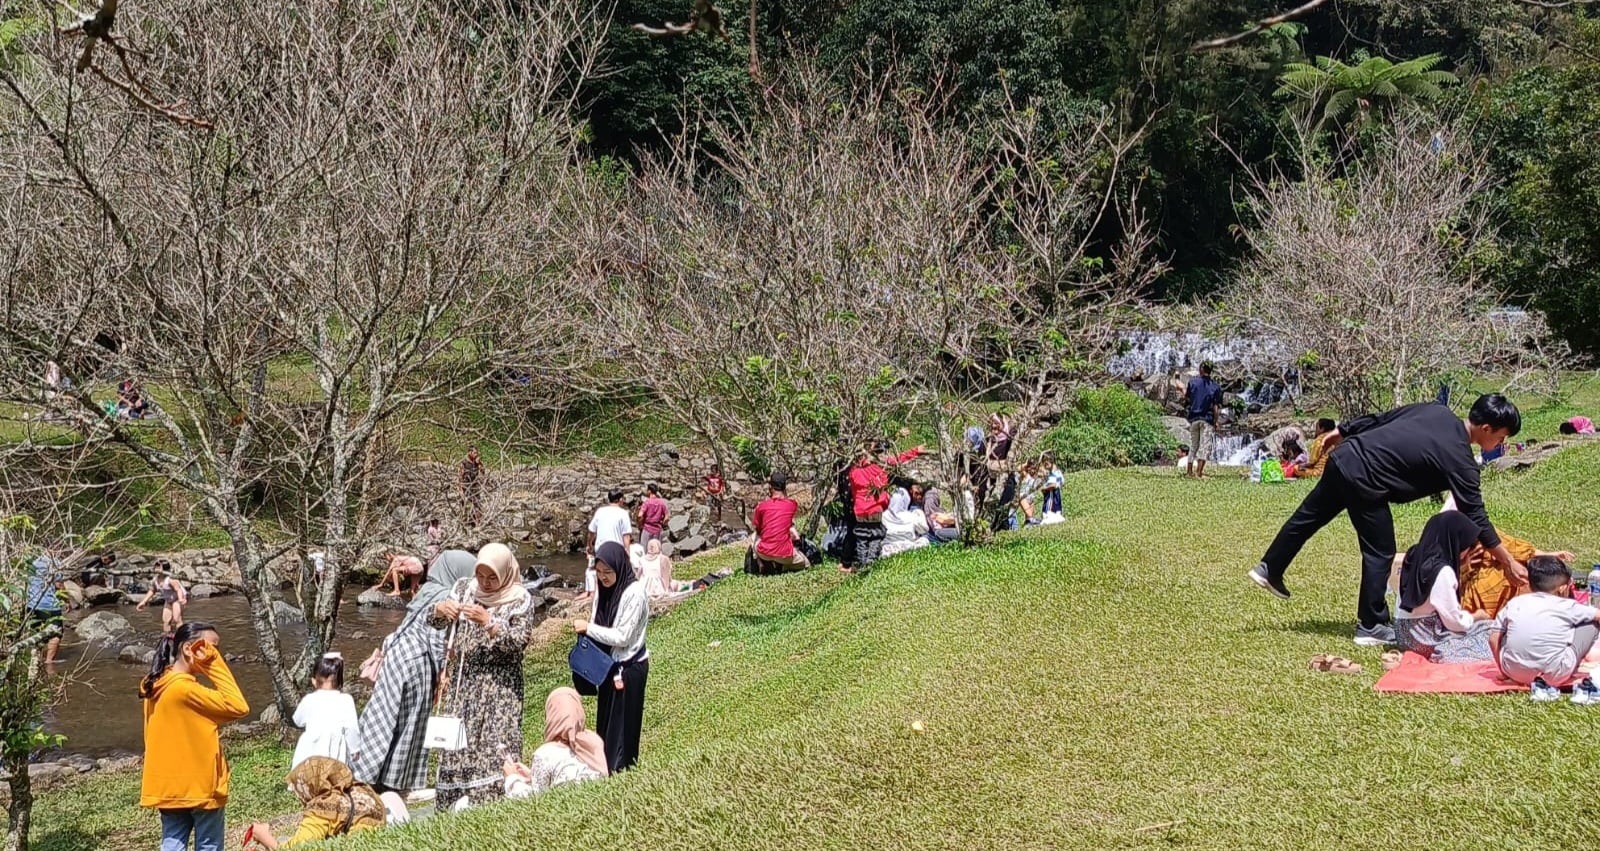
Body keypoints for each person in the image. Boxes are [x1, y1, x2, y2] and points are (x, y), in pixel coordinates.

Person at [1248, 394, 1526, 647]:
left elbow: (1382, 418)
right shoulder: (1461, 460)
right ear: (1486, 428)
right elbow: (1475, 513)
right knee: (1380, 551)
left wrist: (1340, 432)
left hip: (1345, 458)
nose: (1500, 444)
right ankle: (1371, 625)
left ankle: (1269, 567)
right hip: (1367, 480)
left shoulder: (1436, 412)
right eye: (1501, 437)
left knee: (1307, 518)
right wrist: (1507, 560)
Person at [350, 550, 473, 795]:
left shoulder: (428, 588)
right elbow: (437, 640)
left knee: (382, 718)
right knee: (407, 725)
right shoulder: (446, 596)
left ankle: (362, 772)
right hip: (417, 666)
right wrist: (442, 673)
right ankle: (390, 782)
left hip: (396, 658)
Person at [428, 543, 537, 811]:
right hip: (465, 683)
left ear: (505, 575)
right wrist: (440, 611)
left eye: (493, 578)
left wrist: (489, 623)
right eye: (481, 576)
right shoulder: (465, 589)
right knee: (459, 744)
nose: (486, 584)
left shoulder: (519, 598)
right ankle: (454, 803)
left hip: (499, 687)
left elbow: (519, 641)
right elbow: (436, 623)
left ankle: (495, 802)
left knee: (495, 740)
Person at [139, 621, 249, 851]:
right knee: (209, 845)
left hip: (167, 785)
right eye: (210, 648)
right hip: (199, 785)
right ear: (189, 649)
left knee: (172, 842)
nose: (214, 654)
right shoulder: (185, 690)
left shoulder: (155, 684)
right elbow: (239, 706)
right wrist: (214, 664)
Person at [575, 542, 650, 772]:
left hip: (629, 667)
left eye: (608, 572)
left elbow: (623, 636)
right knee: (606, 722)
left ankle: (622, 770)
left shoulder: (634, 593)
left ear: (620, 567)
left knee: (624, 725)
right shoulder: (604, 590)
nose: (603, 577)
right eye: (599, 572)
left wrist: (587, 628)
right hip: (608, 666)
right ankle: (604, 768)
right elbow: (599, 617)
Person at [1394, 512, 1493, 662]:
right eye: (1468, 546)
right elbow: (1454, 622)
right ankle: (1445, 653)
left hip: (1402, 632)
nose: (1469, 550)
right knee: (1490, 631)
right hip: (1423, 636)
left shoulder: (1415, 554)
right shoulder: (1442, 570)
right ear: (1456, 542)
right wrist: (1476, 616)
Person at [1491, 556, 1600, 689]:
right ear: (1562, 588)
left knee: (1506, 631)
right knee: (1591, 623)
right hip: (1554, 675)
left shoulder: (1514, 603)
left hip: (1514, 673)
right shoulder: (1567, 605)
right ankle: (1569, 664)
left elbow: (1493, 638)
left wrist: (1504, 671)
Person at [243, 757, 385, 849]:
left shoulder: (323, 808)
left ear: (310, 786)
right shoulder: (365, 792)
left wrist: (263, 836)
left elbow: (297, 849)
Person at [502, 687, 608, 799]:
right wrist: (531, 774)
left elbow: (536, 801)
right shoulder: (593, 743)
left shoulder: (545, 754)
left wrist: (512, 778)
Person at [842, 441, 923, 575]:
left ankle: (862, 564)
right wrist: (915, 451)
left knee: (862, 537)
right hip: (875, 509)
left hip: (860, 509)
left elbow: (853, 489)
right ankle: (871, 563)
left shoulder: (853, 472)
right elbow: (897, 460)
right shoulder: (879, 469)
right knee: (875, 536)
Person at [290, 653, 359, 770]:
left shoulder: (309, 699)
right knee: (332, 779)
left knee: (309, 777)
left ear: (313, 681)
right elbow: (351, 728)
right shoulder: (346, 700)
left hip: (310, 748)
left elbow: (297, 720)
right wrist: (354, 748)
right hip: (334, 750)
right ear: (340, 681)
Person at [750, 473, 808, 572]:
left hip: (764, 553)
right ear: (785, 488)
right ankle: (783, 566)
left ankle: (760, 562)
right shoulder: (792, 505)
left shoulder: (761, 507)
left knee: (753, 536)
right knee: (805, 564)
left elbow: (758, 529)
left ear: (770, 487)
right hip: (785, 555)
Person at [1182, 362, 1223, 479]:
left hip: (1194, 418)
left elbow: (1187, 398)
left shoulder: (1192, 382)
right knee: (1204, 447)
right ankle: (1199, 473)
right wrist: (1216, 421)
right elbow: (1216, 407)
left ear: (1201, 369)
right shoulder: (1215, 387)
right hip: (1207, 419)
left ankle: (1189, 472)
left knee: (1194, 446)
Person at [24, 550, 65, 666]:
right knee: (56, 634)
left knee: (37, 634)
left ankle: (36, 661)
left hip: (33, 605)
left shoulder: (33, 563)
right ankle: (49, 662)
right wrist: (67, 601)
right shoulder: (55, 563)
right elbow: (59, 585)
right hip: (50, 605)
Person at [136, 563, 188, 633]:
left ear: (164, 569)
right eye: (156, 567)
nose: (156, 569)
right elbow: (152, 590)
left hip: (177, 599)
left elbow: (178, 590)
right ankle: (167, 636)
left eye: (159, 567)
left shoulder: (170, 579)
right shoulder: (155, 579)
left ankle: (181, 636)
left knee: (176, 619)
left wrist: (181, 599)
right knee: (166, 620)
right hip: (168, 600)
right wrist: (143, 602)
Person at [881, 486, 930, 558]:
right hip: (907, 545)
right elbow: (924, 529)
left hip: (888, 547)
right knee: (925, 539)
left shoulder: (883, 515)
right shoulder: (911, 516)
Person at [458, 448, 486, 527]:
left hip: (475, 488)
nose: (476, 454)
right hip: (466, 487)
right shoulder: (464, 463)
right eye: (474, 453)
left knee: (477, 505)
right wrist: (460, 489)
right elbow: (460, 477)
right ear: (469, 452)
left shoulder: (476, 463)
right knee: (466, 507)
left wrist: (480, 464)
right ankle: (465, 524)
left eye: (477, 453)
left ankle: (478, 524)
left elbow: (483, 472)